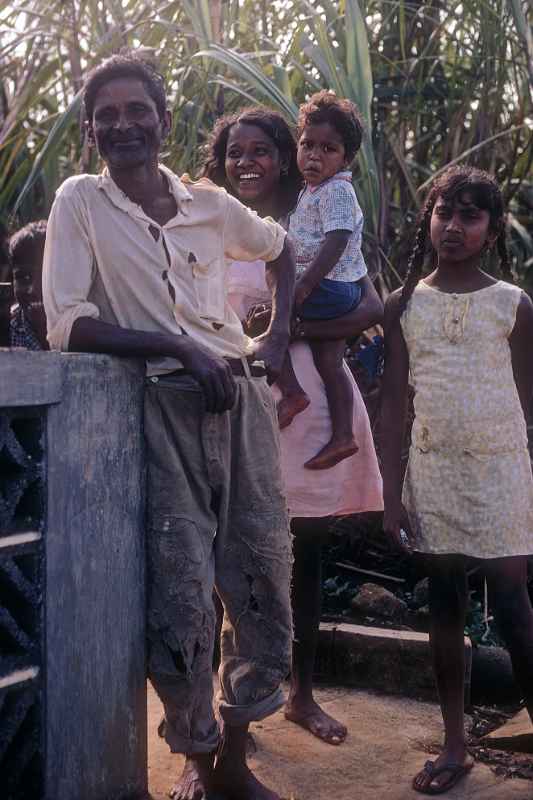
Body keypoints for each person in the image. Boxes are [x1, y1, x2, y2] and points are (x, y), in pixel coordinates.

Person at [43, 52, 297, 800]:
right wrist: (174, 343)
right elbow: (66, 325)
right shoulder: (80, 202)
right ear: (92, 132)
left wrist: (273, 342)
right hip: (158, 406)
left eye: (136, 110)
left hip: (239, 403)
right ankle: (194, 752)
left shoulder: (211, 205)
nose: (124, 124)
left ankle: (235, 760)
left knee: (260, 572)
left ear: (162, 116)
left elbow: (283, 253)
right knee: (178, 589)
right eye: (107, 115)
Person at [204, 106, 383, 746]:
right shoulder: (201, 228)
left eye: (261, 151)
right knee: (228, 560)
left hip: (309, 414)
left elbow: (367, 307)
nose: (247, 163)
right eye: (234, 153)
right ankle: (232, 712)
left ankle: (300, 697)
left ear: (287, 158)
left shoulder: (304, 226)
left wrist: (285, 330)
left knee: (306, 557)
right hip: (240, 407)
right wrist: (255, 339)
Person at [381, 166, 533, 795]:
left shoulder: (514, 305)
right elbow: (393, 405)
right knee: (445, 604)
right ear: (430, 219)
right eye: (445, 212)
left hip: (502, 470)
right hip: (435, 468)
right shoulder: (404, 305)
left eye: (471, 216)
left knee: (515, 606)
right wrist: (390, 495)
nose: (454, 226)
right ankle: (454, 745)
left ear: (492, 231)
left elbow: (531, 401)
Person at [276, 90, 369, 471]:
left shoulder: (337, 191)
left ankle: (293, 393)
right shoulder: (312, 191)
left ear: (346, 158)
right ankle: (344, 436)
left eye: (328, 149)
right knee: (331, 362)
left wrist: (303, 286)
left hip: (329, 286)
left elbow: (336, 240)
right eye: (307, 144)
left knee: (269, 323)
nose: (314, 155)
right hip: (334, 287)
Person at [8, 220, 49, 350]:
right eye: (24, 278)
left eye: (45, 277)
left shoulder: (82, 329)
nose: (33, 290)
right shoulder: (6, 329)